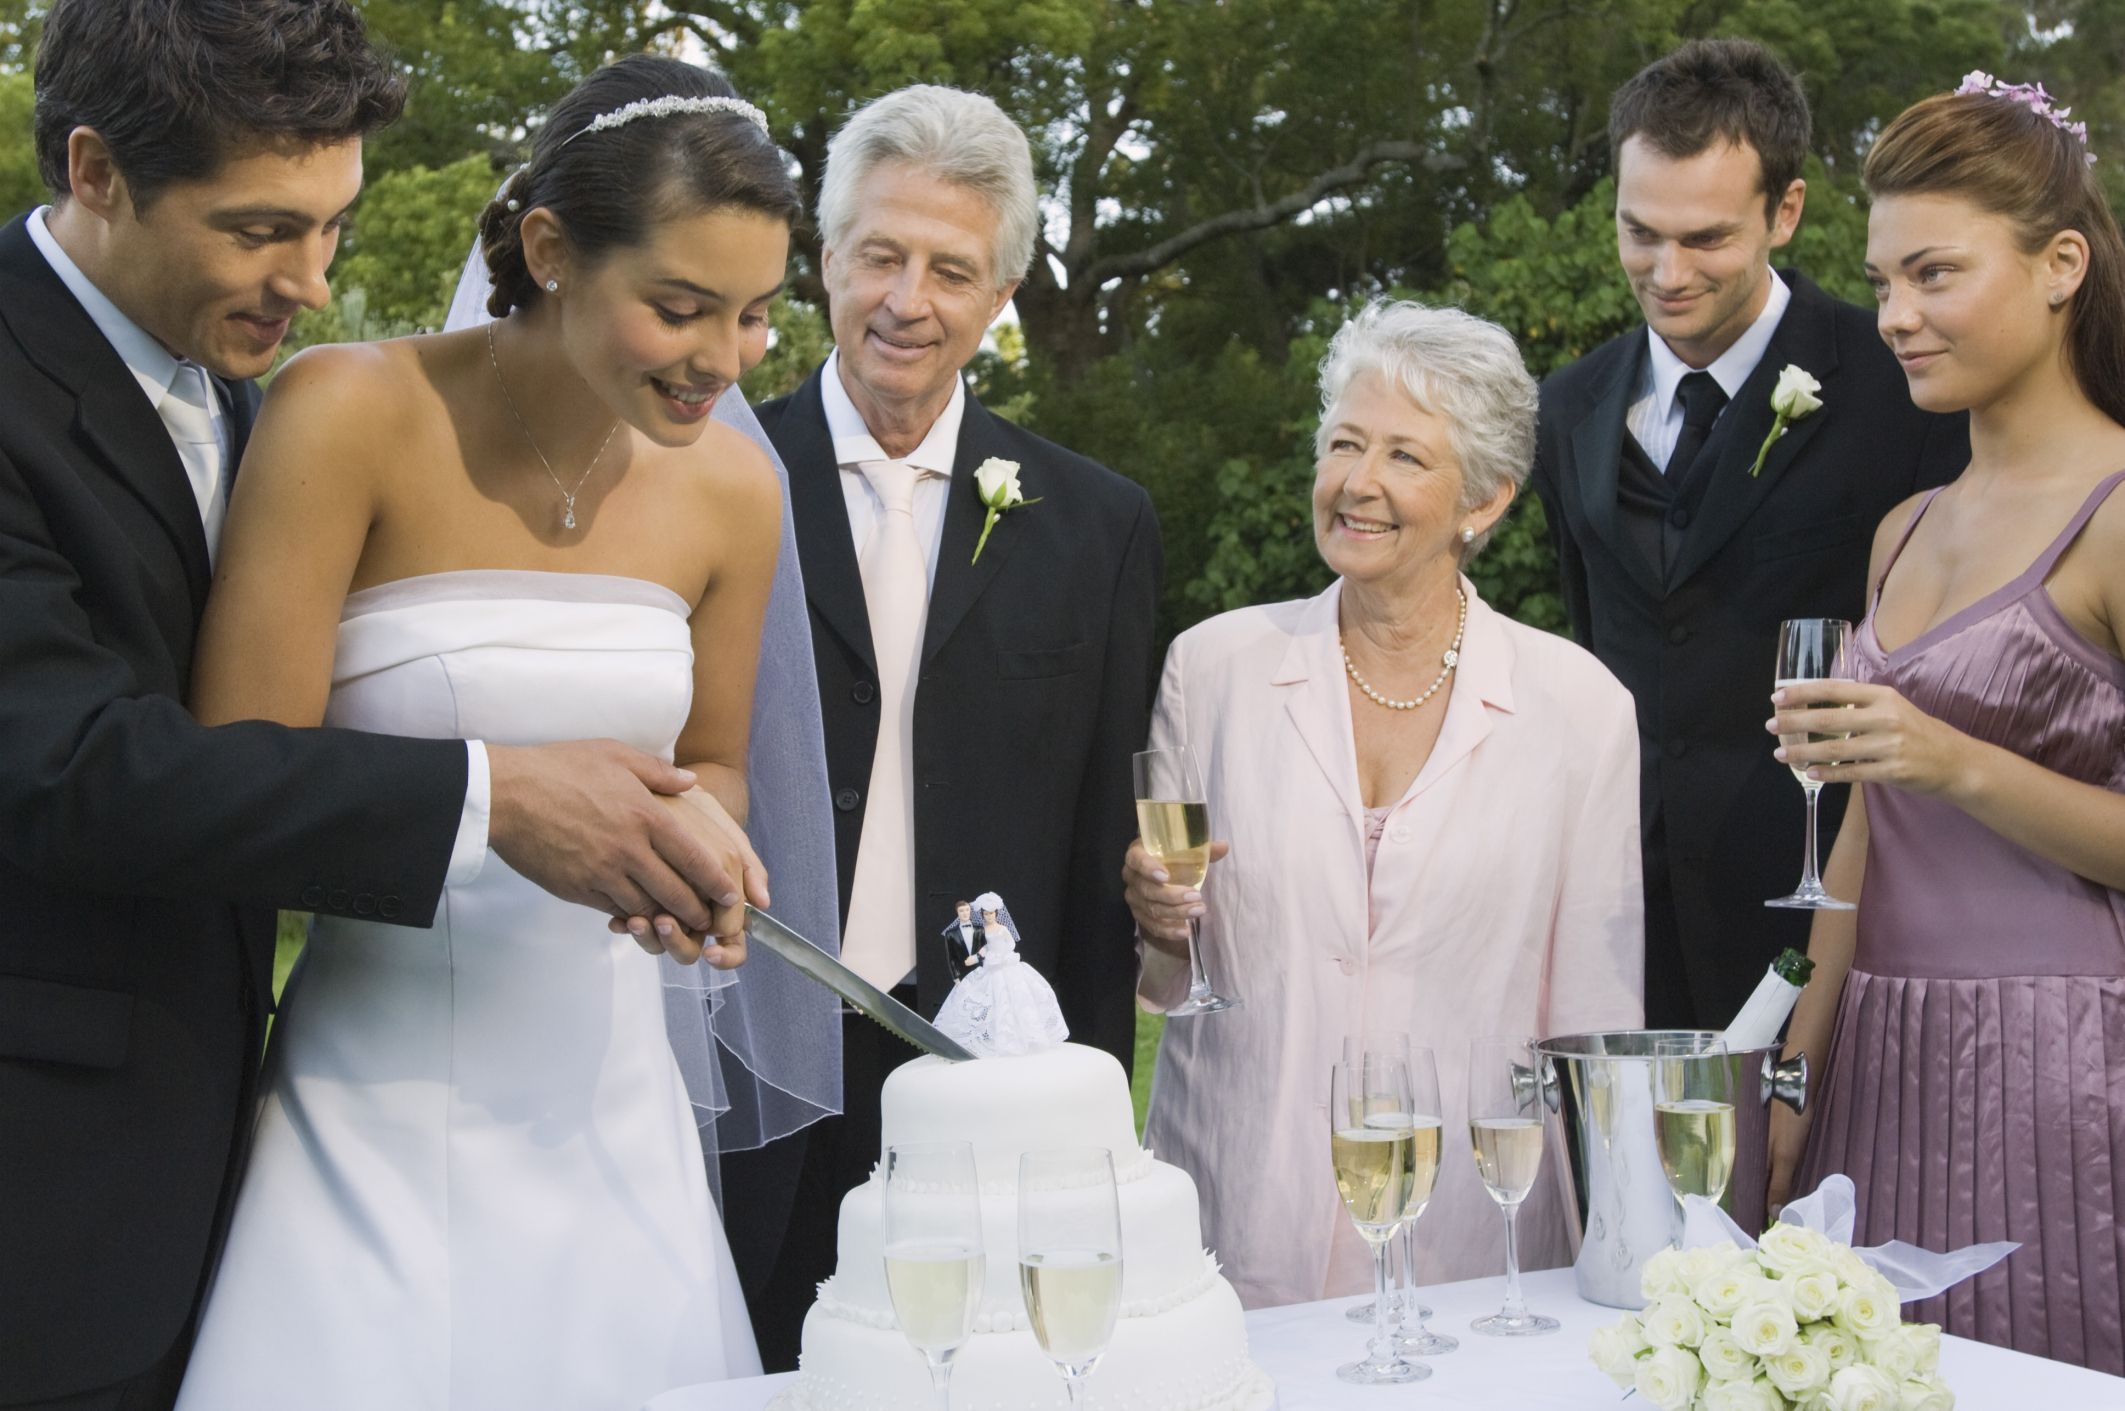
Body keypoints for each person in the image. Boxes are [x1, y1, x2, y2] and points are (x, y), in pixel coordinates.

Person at [0, 9, 757, 1408]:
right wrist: (496, 796)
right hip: (49, 1180)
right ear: (97, 170)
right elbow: (64, 765)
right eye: (259, 230)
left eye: (331, 229)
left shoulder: (237, 385)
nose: (313, 282)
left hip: (239, 1147)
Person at [729, 84, 1162, 1367]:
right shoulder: (712, 478)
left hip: (988, 1082)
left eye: (951, 270)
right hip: (757, 1062)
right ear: (823, 262)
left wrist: (1078, 1115)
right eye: (880, 255)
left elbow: (1098, 834)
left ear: (999, 296)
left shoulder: (1096, 525)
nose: (908, 300)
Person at [1124, 299, 1643, 1310]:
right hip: (1236, 1213)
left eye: (1404, 456)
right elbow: (1172, 974)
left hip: (1472, 1225)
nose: (1357, 482)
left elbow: (1595, 1021)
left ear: (1483, 499)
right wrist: (1155, 925)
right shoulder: (1215, 668)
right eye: (1343, 444)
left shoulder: (1579, 707)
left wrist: (1622, 1254)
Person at [1768, 74, 2125, 1374]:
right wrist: (1797, 1076)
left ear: (2059, 264)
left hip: (2064, 1069)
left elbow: (1929, 772)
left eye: (1933, 273)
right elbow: (1862, 832)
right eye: (1880, 281)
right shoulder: (1900, 530)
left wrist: (1953, 757)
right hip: (1879, 1055)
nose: (1895, 317)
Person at [1528, 38, 1967, 1030]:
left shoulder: (1903, 391)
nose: (1666, 271)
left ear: (1787, 211)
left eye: (1706, 239)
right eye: (1638, 233)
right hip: (1624, 935)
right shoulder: (1565, 408)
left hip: (1841, 935)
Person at [933, 891, 1070, 1056]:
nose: (988, 916)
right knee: (990, 999)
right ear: (982, 914)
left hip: (1005, 964)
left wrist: (1001, 954)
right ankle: (991, 1038)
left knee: (1016, 998)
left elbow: (1011, 943)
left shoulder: (1002, 928)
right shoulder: (982, 929)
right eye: (985, 914)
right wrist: (976, 957)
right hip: (990, 965)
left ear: (996, 914)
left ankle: (1022, 1038)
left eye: (991, 913)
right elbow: (983, 947)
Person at [943, 897, 982, 977]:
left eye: (967, 910)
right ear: (957, 912)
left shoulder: (980, 929)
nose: (965, 913)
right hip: (963, 974)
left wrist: (977, 958)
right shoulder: (951, 933)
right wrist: (956, 978)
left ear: (970, 911)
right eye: (961, 911)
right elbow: (951, 957)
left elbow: (986, 948)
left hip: (981, 971)